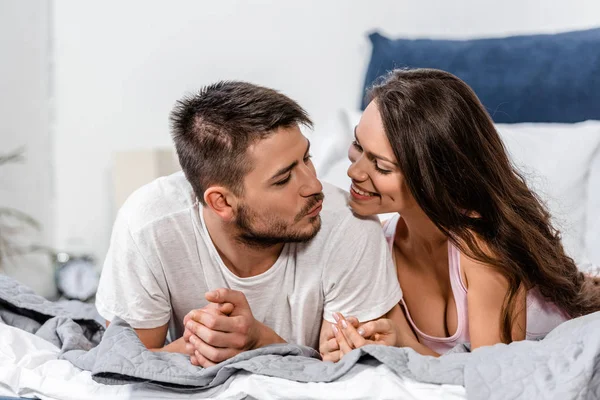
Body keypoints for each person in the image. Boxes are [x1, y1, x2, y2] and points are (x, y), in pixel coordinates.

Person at [95, 81, 402, 367]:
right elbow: (127, 365)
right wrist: (201, 345)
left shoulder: (351, 227)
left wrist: (260, 342)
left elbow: (340, 373)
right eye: (283, 179)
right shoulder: (149, 226)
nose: (314, 185)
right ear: (222, 202)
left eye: (307, 159)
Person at [322, 68, 600, 359]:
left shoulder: (481, 249)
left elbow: (493, 376)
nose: (353, 171)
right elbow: (442, 364)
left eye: (381, 166)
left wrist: (403, 343)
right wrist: (391, 343)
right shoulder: (380, 245)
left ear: (434, 178)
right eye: (357, 146)